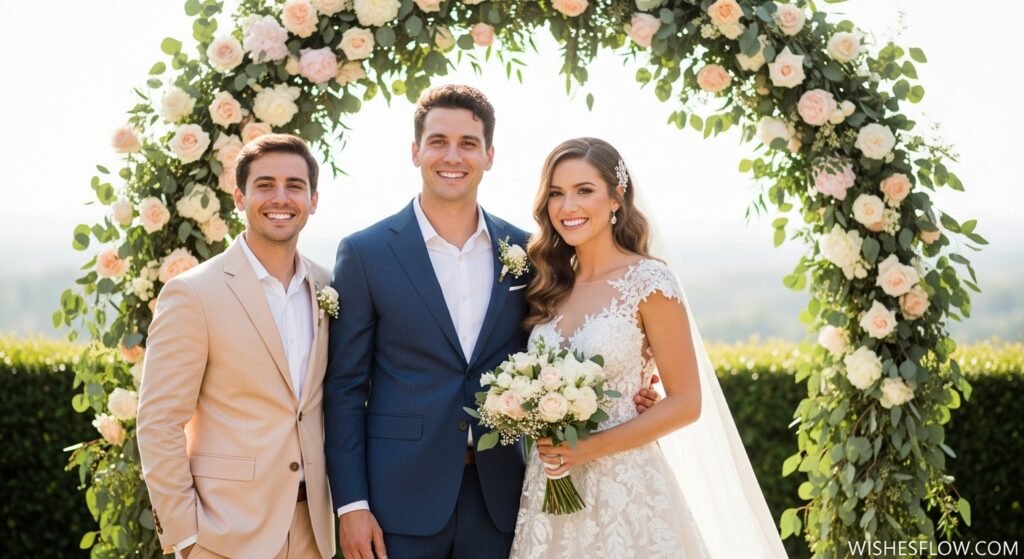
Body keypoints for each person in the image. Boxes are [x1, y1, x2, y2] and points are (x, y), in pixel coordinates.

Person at [323, 86, 659, 559]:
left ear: (490, 155)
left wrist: (635, 388)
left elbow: (562, 344)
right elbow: (343, 387)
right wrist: (351, 505)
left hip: (501, 495)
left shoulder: (530, 253)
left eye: (468, 143)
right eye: (438, 141)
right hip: (397, 500)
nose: (452, 155)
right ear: (415, 151)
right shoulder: (366, 252)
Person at [509, 137, 787, 558]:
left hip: (626, 487)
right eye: (556, 193)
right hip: (549, 488)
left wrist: (586, 449)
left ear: (616, 198)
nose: (568, 207)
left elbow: (686, 402)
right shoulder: (548, 284)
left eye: (585, 190)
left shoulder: (649, 282)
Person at [137, 134, 334, 559]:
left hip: (314, 532)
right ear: (239, 197)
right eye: (264, 185)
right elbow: (158, 422)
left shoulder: (328, 287)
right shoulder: (192, 293)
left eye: (294, 186)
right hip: (225, 534)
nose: (280, 197)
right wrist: (185, 537)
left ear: (313, 199)